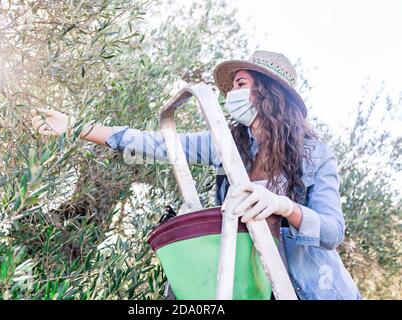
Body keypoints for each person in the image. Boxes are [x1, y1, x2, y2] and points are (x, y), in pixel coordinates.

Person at [31, 50, 361, 300]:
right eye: (232, 86)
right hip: (250, 285)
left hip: (306, 288)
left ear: (269, 92)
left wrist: (282, 206)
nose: (232, 93)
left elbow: (333, 231)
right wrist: (75, 128)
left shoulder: (315, 154)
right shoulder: (227, 143)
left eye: (241, 84)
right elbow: (158, 143)